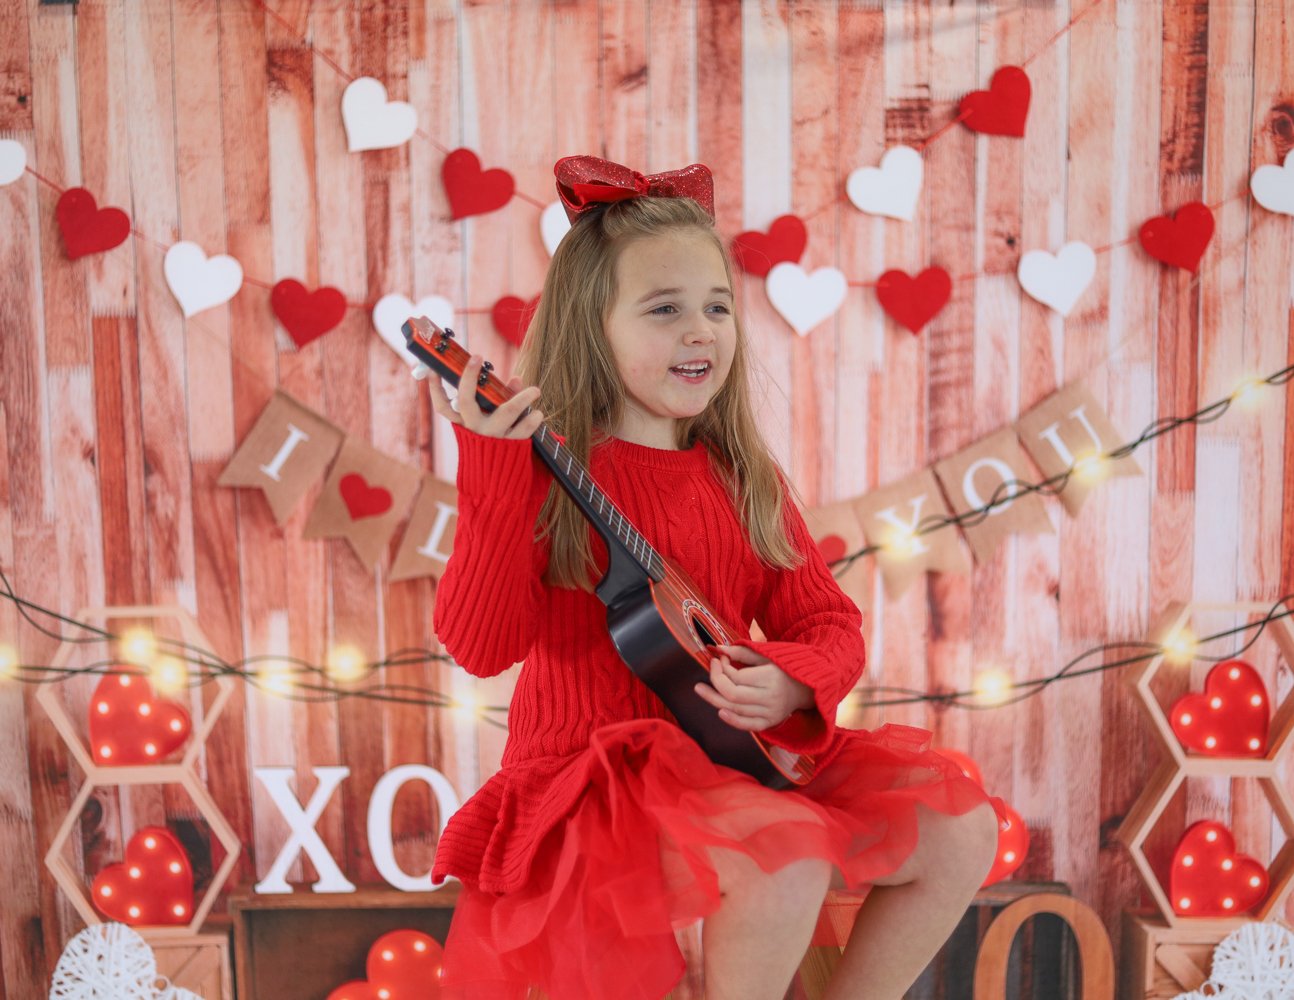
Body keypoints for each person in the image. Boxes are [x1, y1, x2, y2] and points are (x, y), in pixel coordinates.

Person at [425, 155, 1000, 1000]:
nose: (703, 331)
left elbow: (829, 622)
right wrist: (493, 466)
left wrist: (792, 681)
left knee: (962, 829)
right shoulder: (543, 476)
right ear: (593, 327)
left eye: (718, 307)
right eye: (665, 309)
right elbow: (478, 646)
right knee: (785, 858)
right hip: (588, 779)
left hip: (732, 760)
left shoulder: (740, 476)